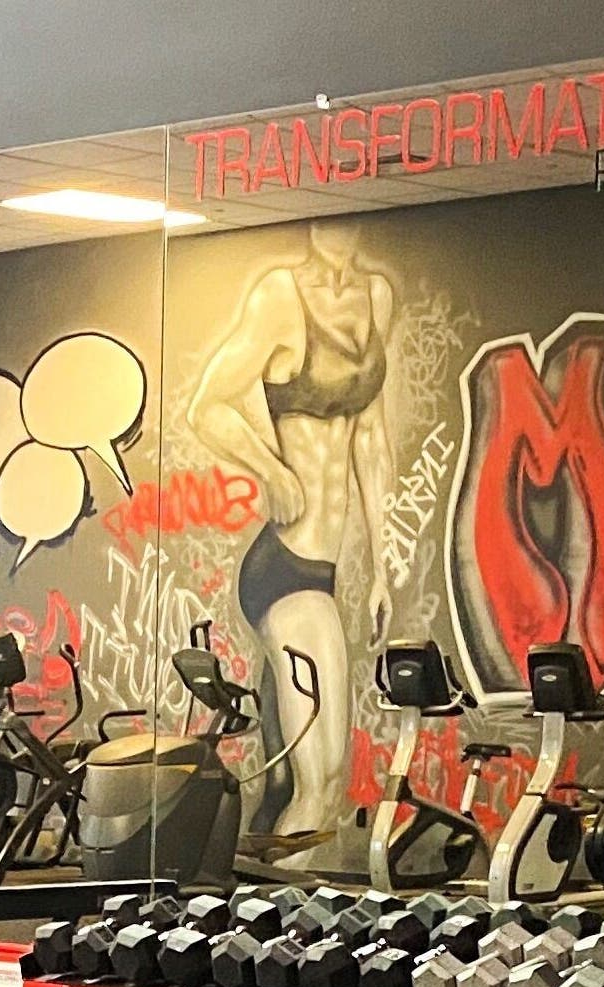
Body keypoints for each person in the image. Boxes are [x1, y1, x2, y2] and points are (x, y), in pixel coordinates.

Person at [187, 220, 400, 860]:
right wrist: (271, 470)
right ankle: (286, 915)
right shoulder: (281, 295)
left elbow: (370, 440)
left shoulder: (378, 297)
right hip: (284, 567)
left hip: (322, 573)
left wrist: (383, 565)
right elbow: (207, 405)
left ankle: (279, 897)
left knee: (312, 783)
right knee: (323, 780)